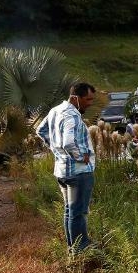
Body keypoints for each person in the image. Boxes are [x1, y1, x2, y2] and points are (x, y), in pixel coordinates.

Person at [37, 82, 97, 254]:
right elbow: (68, 142)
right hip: (78, 172)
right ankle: (81, 248)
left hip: (62, 171)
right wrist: (79, 156)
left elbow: (41, 131)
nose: (89, 103)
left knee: (70, 211)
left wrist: (56, 149)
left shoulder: (55, 110)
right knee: (78, 213)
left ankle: (72, 247)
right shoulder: (72, 116)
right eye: (87, 99)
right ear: (75, 98)